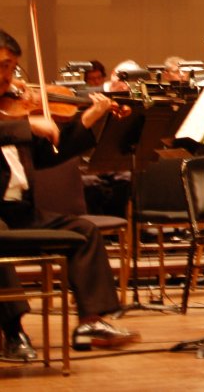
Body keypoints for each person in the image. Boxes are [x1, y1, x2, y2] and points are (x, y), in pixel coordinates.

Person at [0, 29, 137, 360]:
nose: (9, 77)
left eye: (13, 68)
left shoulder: (12, 111)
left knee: (83, 230)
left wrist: (89, 118)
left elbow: (48, 156)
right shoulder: (15, 122)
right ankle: (14, 333)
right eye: (3, 66)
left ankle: (91, 320)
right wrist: (30, 126)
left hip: (21, 212)